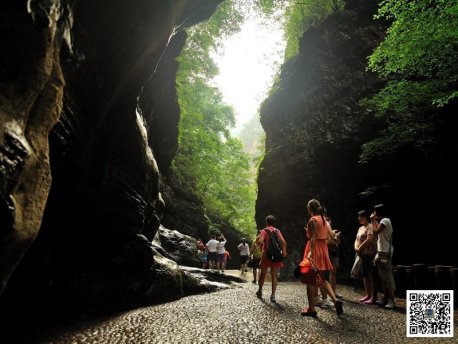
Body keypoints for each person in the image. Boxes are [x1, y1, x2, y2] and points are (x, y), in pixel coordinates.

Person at [301, 199, 343, 317]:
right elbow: (333, 235)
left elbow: (313, 238)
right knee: (322, 279)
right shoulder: (325, 220)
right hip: (323, 249)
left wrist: (310, 253)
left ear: (310, 208)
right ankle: (335, 301)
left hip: (314, 250)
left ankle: (311, 309)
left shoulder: (313, 220)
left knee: (309, 279)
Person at [255, 215, 287, 303]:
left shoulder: (264, 231)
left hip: (266, 253)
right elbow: (283, 242)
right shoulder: (277, 231)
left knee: (263, 273)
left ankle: (260, 291)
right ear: (274, 223)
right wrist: (284, 251)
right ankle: (273, 295)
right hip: (276, 254)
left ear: (266, 223)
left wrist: (258, 245)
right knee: (274, 274)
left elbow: (261, 241)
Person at [371, 204, 396, 309]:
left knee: (387, 276)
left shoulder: (385, 220)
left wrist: (372, 220)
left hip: (385, 252)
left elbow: (375, 232)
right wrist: (375, 221)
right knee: (382, 277)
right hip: (381, 251)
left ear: (378, 212)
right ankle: (386, 297)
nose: (373, 213)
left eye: (375, 212)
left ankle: (391, 300)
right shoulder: (383, 221)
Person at [317, 212, 341, 308]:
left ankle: (331, 295)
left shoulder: (332, 231)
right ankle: (324, 298)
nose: (328, 222)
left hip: (332, 254)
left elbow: (335, 245)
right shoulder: (323, 229)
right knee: (322, 276)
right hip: (325, 254)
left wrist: (336, 238)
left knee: (329, 275)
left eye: (329, 221)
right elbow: (328, 244)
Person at [354, 210, 378, 304]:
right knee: (365, 275)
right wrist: (356, 248)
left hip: (370, 253)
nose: (359, 218)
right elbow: (356, 239)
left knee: (371, 275)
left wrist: (359, 248)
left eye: (360, 217)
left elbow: (370, 239)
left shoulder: (370, 226)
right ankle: (368, 294)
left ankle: (373, 297)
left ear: (365, 217)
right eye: (358, 217)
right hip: (361, 254)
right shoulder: (360, 228)